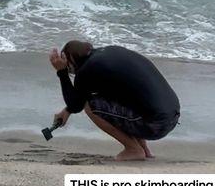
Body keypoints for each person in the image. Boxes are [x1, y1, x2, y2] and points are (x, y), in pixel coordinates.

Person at [49, 40, 180, 161]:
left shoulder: (86, 70)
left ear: (71, 60)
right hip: (170, 118)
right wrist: (67, 111)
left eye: (68, 66)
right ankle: (144, 149)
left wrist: (62, 73)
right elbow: (80, 99)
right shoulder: (109, 54)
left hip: (153, 125)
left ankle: (133, 149)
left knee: (89, 105)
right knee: (126, 98)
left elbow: (76, 105)